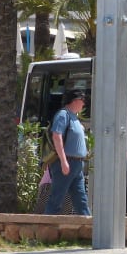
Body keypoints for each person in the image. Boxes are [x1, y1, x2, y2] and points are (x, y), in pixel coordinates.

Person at [44, 88, 90, 216]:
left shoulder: (74, 117)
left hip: (76, 165)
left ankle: (87, 229)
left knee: (81, 200)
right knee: (56, 198)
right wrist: (64, 161)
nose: (84, 104)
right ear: (74, 100)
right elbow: (56, 136)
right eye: (82, 100)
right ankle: (46, 229)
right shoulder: (63, 115)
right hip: (66, 162)